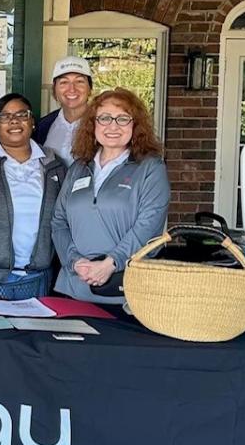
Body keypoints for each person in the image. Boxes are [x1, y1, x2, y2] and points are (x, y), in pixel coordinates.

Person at [52, 88, 169, 303]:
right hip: (74, 287)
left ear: (135, 125)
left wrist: (110, 264)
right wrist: (75, 262)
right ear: (92, 124)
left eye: (122, 119)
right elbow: (59, 221)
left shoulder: (150, 168)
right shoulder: (79, 167)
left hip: (125, 292)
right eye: (104, 118)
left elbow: (149, 226)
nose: (113, 126)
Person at [0, 94, 66, 293]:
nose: (14, 121)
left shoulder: (53, 164)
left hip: (36, 275)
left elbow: (64, 215)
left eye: (22, 114)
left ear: (32, 122)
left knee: (33, 325)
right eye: (5, 116)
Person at [34, 55, 94, 167]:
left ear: (90, 89)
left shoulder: (104, 125)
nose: (72, 89)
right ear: (54, 90)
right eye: (64, 82)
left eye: (79, 81)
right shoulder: (43, 126)